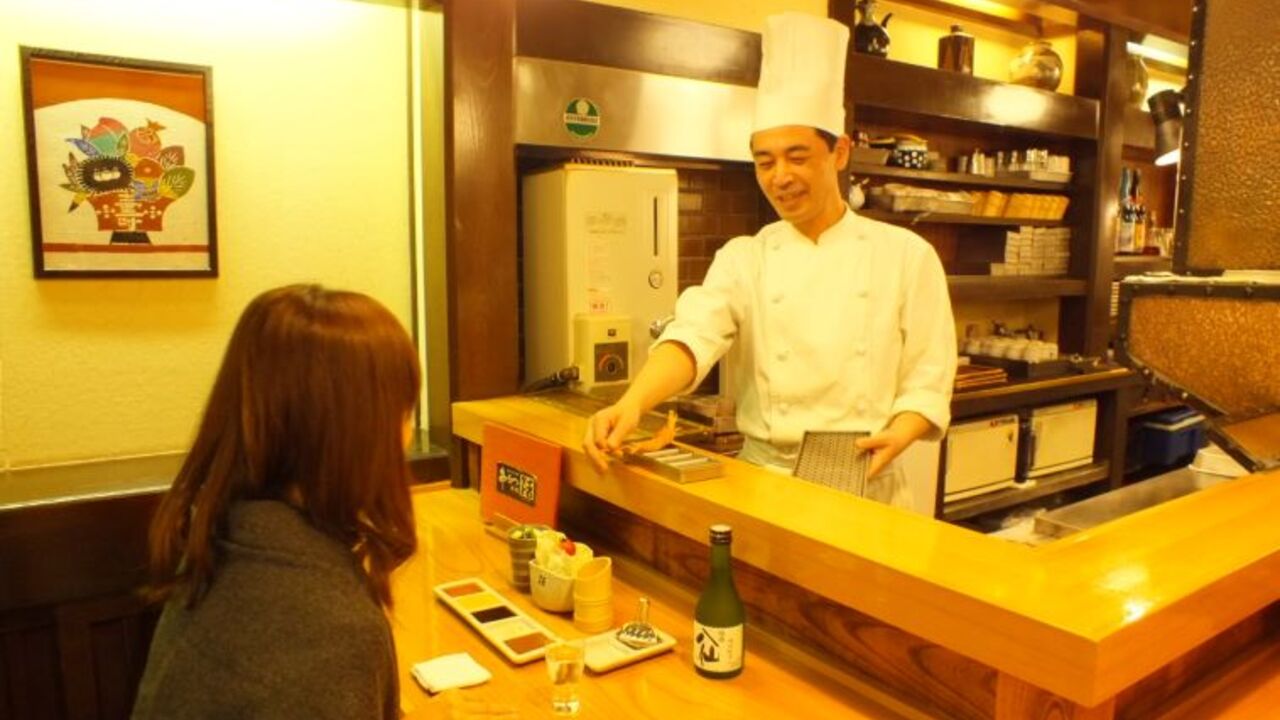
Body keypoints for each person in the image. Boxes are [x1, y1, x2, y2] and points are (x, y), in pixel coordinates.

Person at [584, 13, 957, 508]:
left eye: (798, 156)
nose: (780, 176)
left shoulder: (907, 256)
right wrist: (630, 403)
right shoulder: (745, 258)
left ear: (840, 152)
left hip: (867, 482)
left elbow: (930, 374)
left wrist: (904, 431)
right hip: (763, 483)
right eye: (765, 161)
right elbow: (694, 336)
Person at [132, 284, 421, 720]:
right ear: (355, 435)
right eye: (403, 412)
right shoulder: (332, 634)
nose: (408, 435)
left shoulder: (223, 540)